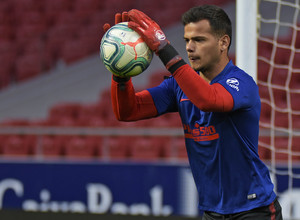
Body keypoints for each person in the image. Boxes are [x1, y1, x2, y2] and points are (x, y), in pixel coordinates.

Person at [103, 5, 283, 220]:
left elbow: (208, 99)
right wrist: (119, 70)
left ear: (223, 42)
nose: (189, 47)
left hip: (254, 210)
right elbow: (128, 111)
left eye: (199, 40)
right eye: (187, 40)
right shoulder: (177, 87)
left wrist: (163, 48)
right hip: (213, 211)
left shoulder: (241, 83)